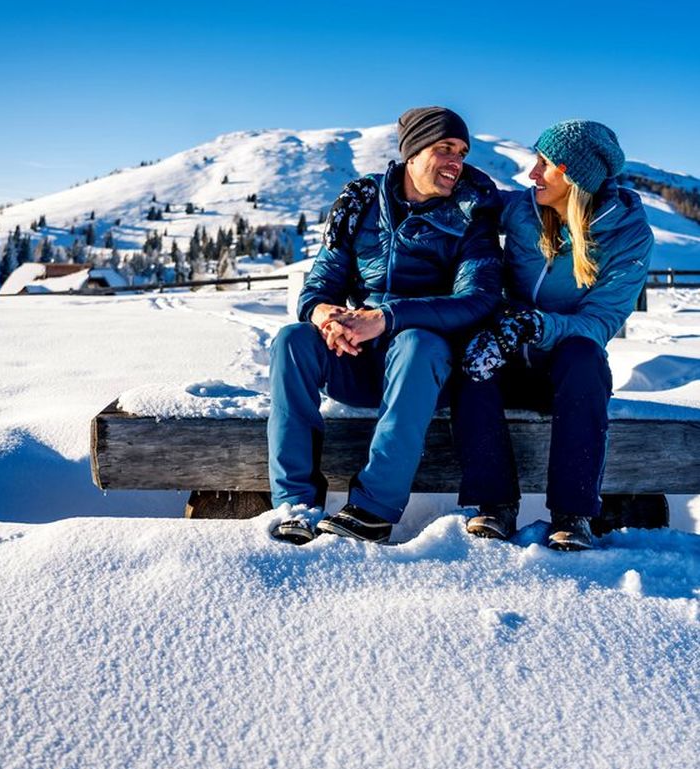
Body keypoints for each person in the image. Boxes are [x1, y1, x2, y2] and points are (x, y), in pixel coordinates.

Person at [268, 105, 502, 545]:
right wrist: (324, 314)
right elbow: (320, 283)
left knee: (416, 342)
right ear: (412, 152)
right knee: (292, 340)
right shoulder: (360, 205)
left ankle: (374, 508)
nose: (457, 161)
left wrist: (386, 317)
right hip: (358, 359)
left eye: (463, 152)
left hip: (428, 370)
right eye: (445, 148)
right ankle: (296, 503)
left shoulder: (473, 215)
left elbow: (479, 298)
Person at [453, 119, 653, 551]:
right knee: (475, 359)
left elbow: (600, 322)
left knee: (584, 358)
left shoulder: (628, 234)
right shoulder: (524, 210)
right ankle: (494, 506)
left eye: (544, 164)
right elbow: (468, 200)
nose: (532, 174)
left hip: (566, 370)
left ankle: (573, 515)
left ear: (574, 175)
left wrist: (535, 325)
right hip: (510, 355)